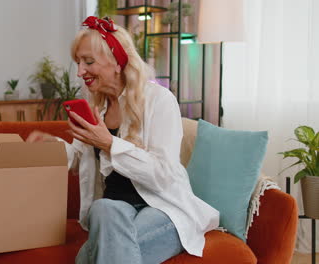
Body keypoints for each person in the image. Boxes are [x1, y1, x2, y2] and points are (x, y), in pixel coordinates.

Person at [26, 16, 219, 264]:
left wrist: (109, 143)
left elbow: (163, 174)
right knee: (102, 208)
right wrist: (52, 146)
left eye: (88, 62)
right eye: (78, 63)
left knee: (87, 257)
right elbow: (78, 160)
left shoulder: (159, 100)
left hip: (163, 208)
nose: (80, 72)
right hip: (115, 211)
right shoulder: (98, 108)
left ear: (117, 62)